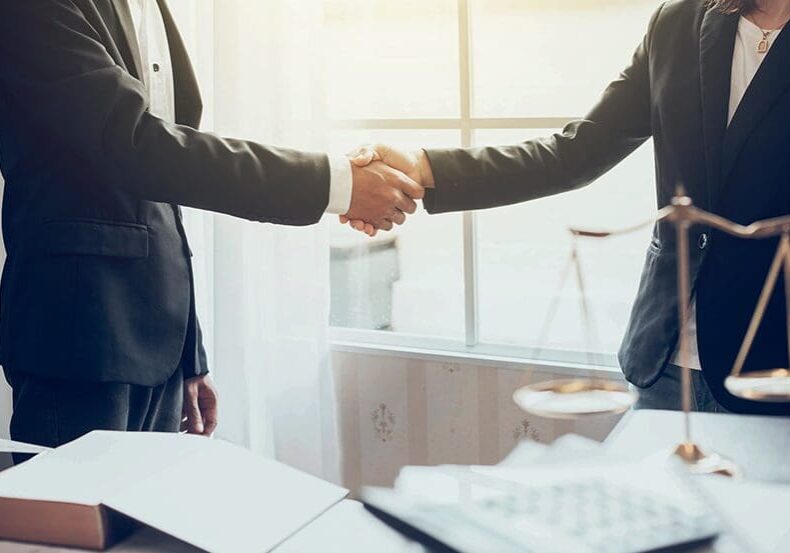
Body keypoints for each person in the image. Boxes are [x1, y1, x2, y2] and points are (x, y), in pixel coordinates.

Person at [0, 0, 423, 454]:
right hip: (77, 337)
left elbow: (164, 193)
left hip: (159, 348)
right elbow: (138, 147)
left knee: (152, 523)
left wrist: (187, 354)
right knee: (72, 521)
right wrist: (337, 184)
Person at [344, 0, 790, 416]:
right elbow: (574, 153)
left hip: (774, 366)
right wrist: (422, 168)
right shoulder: (679, 22)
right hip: (666, 362)